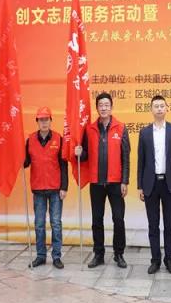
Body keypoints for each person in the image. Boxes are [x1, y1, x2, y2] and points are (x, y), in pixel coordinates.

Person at [75, 92, 130, 269]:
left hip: (116, 183)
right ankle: (98, 254)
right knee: (97, 220)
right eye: (101, 105)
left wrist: (125, 181)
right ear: (97, 108)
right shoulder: (89, 129)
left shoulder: (121, 128)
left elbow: (126, 157)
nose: (104, 108)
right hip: (96, 183)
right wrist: (79, 153)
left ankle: (119, 254)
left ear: (111, 107)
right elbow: (85, 155)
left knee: (118, 219)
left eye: (107, 105)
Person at [137, 95, 171, 275]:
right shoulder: (144, 133)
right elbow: (141, 161)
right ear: (151, 109)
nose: (159, 109)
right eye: (156, 106)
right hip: (150, 184)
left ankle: (169, 260)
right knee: (153, 225)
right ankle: (155, 260)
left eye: (161, 106)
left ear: (167, 108)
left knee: (169, 224)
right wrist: (140, 186)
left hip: (169, 183)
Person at [24, 106, 68, 269]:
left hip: (55, 188)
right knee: (39, 224)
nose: (44, 122)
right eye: (41, 120)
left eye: (46, 119)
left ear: (51, 121)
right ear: (37, 121)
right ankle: (40, 256)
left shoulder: (59, 139)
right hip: (38, 189)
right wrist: (18, 156)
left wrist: (64, 187)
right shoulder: (30, 140)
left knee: (56, 223)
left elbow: (63, 165)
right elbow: (26, 163)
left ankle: (56, 256)